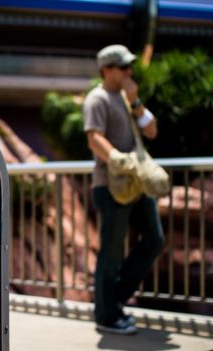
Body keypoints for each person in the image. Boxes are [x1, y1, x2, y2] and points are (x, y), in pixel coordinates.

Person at [83, 44, 165, 335]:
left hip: (137, 184)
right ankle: (107, 315)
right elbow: (95, 139)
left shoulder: (128, 98)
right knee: (112, 251)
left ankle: (112, 301)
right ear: (107, 70)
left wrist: (137, 101)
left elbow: (152, 131)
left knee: (155, 239)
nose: (129, 71)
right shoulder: (98, 98)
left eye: (130, 66)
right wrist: (120, 160)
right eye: (123, 67)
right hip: (111, 185)